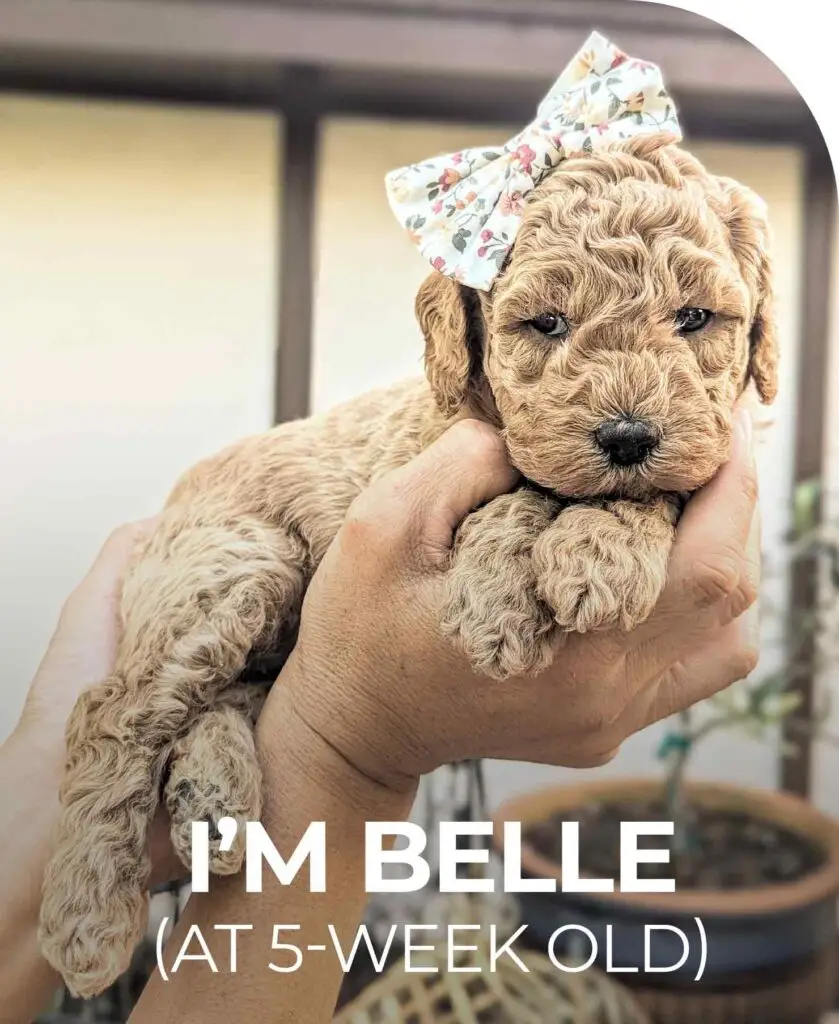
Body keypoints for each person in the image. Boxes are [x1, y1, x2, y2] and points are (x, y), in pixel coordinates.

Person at [0, 411, 759, 1024]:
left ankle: (218, 734)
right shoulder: (475, 429)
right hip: (246, 527)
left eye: (692, 320)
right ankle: (99, 850)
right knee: (183, 665)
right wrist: (347, 755)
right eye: (546, 325)